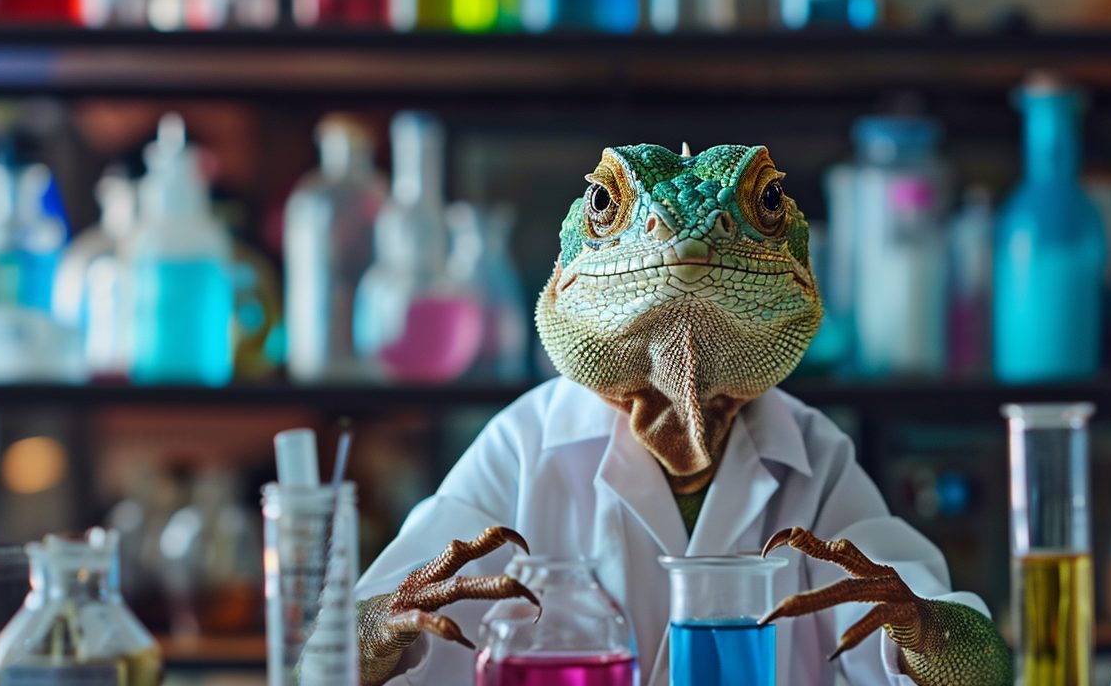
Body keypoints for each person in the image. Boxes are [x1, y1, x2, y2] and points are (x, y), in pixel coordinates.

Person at [354, 145, 1012, 686]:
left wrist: (924, 628)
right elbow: (324, 662)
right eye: (609, 204)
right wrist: (377, 629)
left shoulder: (816, 457)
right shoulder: (523, 446)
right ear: (561, 270)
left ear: (804, 266)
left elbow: (982, 667)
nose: (687, 239)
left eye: (766, 203)